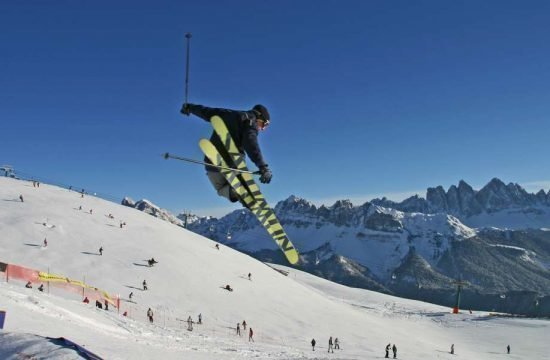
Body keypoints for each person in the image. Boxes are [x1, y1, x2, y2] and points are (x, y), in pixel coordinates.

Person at [181, 103, 273, 206]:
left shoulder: (228, 114)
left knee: (221, 188)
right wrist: (262, 166)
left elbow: (206, 111)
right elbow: (251, 144)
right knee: (248, 190)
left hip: (212, 165)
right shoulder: (251, 122)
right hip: (232, 164)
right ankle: (242, 193)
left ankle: (234, 191)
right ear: (259, 117)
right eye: (264, 125)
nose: (262, 129)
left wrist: (189, 108)